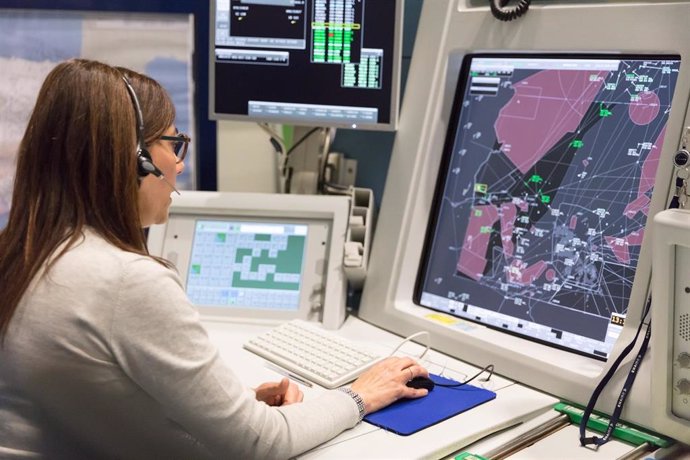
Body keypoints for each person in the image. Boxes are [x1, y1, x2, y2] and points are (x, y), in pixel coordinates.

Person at [0, 59, 430, 459]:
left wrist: (234, 403)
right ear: (135, 160)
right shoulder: (127, 282)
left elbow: (96, 399)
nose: (179, 166)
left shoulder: (24, 252)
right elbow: (263, 443)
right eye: (172, 143)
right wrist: (361, 393)